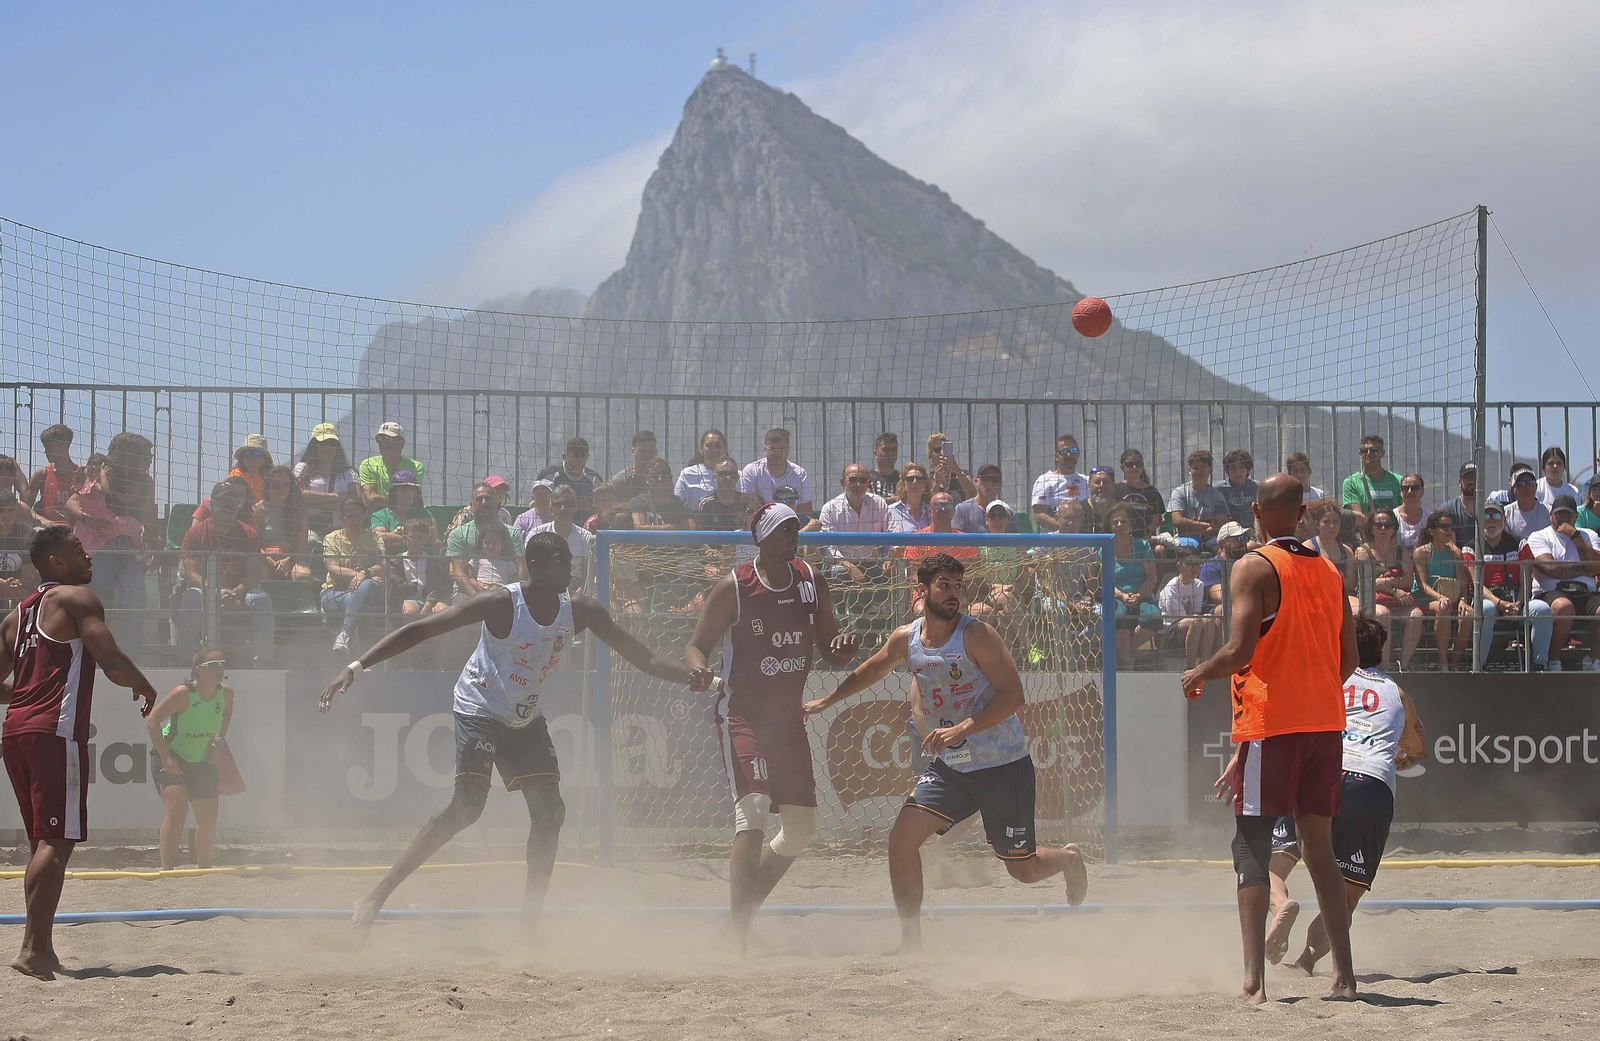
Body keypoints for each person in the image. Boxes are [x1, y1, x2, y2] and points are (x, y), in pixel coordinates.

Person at [318, 531, 713, 940]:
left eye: (570, 560)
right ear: (537, 566)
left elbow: (642, 655)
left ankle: (529, 925)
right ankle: (373, 899)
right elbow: (424, 629)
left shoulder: (582, 611)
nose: (571, 567)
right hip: (480, 708)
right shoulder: (502, 603)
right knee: (467, 808)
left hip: (524, 717)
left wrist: (690, 676)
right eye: (563, 561)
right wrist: (356, 666)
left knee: (551, 813)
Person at [801, 552, 1088, 953]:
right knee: (901, 840)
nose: (954, 593)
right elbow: (872, 669)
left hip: (1002, 766)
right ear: (923, 591)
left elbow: (1014, 695)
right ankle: (911, 943)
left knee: (1022, 870)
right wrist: (827, 701)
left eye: (958, 585)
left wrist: (962, 729)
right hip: (953, 767)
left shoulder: (978, 635)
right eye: (945, 585)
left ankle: (1069, 859)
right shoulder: (907, 638)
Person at [1181, 473, 1359, 1003]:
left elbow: (1237, 652)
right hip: (1325, 723)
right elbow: (1349, 659)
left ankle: (1255, 983)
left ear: (1257, 511)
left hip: (1273, 724)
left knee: (1251, 846)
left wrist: (1196, 674)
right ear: (1303, 513)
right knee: (1319, 849)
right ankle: (1345, 977)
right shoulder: (1329, 569)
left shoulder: (1253, 565)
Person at [683, 504, 859, 956]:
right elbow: (696, 646)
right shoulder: (734, 587)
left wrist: (842, 648)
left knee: (800, 831)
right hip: (742, 715)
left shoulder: (810, 580)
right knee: (754, 810)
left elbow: (830, 649)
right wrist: (699, 669)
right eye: (784, 531)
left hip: (788, 720)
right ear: (761, 538)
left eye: (796, 530)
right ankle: (738, 935)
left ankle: (736, 922)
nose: (793, 537)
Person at [0, 525, 159, 979]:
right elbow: (110, 660)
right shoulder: (75, 599)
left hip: (16, 732)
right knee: (55, 842)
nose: (87, 555)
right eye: (76, 549)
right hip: (55, 732)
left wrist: (28, 693)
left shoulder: (16, 616)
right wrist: (143, 684)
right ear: (55, 562)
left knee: (41, 842)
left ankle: (43, 949)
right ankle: (32, 949)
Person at [1255, 615, 1425, 972]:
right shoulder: (1398, 694)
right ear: (1380, 653)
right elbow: (1418, 750)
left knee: (1273, 864)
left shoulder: (1325, 676)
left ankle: (1281, 904)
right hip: (1371, 784)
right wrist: (1398, 761)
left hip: (1323, 771)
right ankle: (1305, 963)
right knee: (1344, 898)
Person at [146, 643, 233, 871]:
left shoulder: (226, 693)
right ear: (198, 669)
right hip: (173, 756)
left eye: (222, 665)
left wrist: (218, 742)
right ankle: (167, 871)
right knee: (177, 812)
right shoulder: (184, 693)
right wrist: (166, 756)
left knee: (207, 819)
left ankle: (205, 871)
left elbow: (225, 718)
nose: (219, 669)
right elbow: (153, 721)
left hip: (202, 758)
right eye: (213, 665)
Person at [178, 478, 275, 666]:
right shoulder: (196, 533)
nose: (228, 507)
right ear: (212, 505)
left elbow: (254, 575)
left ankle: (265, 661)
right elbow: (191, 574)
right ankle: (185, 659)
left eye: (233, 503)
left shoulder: (249, 534)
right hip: (206, 591)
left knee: (261, 598)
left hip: (239, 593)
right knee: (191, 596)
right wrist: (216, 591)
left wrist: (235, 592)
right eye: (223, 503)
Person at [80, 432, 156, 662]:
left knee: (137, 601)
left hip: (128, 551)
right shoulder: (105, 472)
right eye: (145, 456)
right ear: (130, 456)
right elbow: (80, 499)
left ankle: (130, 658)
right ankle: (95, 656)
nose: (150, 460)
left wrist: (153, 544)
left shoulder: (145, 481)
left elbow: (149, 514)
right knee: (99, 606)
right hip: (101, 548)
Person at [1474, 502, 1552, 670]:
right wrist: (1500, 604)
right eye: (1486, 516)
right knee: (1485, 609)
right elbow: (1476, 585)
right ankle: (1480, 664)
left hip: (1517, 600)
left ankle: (1540, 664)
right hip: (1488, 600)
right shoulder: (1472, 546)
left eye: (1496, 516)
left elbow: (1527, 579)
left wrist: (1518, 603)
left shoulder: (1519, 543)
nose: (1491, 521)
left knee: (1542, 609)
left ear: (1505, 519)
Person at [1526, 496, 1600, 673]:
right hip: (1552, 590)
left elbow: (1597, 565)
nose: (1563, 519)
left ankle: (1594, 659)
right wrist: (1587, 569)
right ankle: (1554, 660)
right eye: (1559, 514)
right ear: (1551, 515)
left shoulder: (1588, 535)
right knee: (1563, 607)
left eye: (1568, 515)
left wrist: (1575, 537)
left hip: (1586, 592)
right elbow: (1551, 569)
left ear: (1576, 517)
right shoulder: (1539, 536)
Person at [1407, 509, 1472, 671]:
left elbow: (1461, 582)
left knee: (1468, 615)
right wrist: (1441, 597)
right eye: (1444, 527)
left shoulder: (1456, 553)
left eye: (1450, 526)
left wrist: (1464, 600)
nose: (1449, 530)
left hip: (1451, 596)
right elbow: (1423, 586)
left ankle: (1454, 661)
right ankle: (1443, 661)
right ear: (1432, 531)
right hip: (1425, 598)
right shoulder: (1421, 553)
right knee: (1443, 608)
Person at [1354, 508, 1418, 668]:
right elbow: (1367, 583)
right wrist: (1394, 588)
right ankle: (1385, 666)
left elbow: (1408, 581)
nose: (1383, 529)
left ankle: (1403, 666)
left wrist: (1385, 582)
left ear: (1394, 528)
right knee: (1384, 614)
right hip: (1371, 600)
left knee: (1416, 616)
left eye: (1387, 525)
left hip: (1398, 601)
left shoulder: (1401, 551)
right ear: (1371, 528)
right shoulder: (1363, 551)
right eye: (1378, 525)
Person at [321, 497, 387, 653]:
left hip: (365, 590)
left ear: (365, 515)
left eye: (358, 515)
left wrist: (366, 573)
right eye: (349, 516)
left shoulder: (374, 537)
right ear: (342, 517)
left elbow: (383, 565)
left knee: (366, 588)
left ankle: (344, 634)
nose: (353, 520)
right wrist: (361, 574)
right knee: (365, 601)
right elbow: (333, 569)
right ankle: (368, 656)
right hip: (334, 593)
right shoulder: (331, 538)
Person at [812, 463, 893, 578]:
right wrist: (850, 567)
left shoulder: (878, 503)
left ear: (867, 483)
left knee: (895, 568)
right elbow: (827, 547)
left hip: (876, 563)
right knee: (839, 571)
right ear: (843, 482)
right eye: (853, 479)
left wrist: (890, 559)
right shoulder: (830, 508)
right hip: (843, 564)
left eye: (862, 480)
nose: (858, 484)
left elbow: (893, 533)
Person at [448, 482, 527, 601]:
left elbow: (520, 568)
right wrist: (478, 598)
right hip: (467, 594)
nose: (484, 502)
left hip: (505, 595)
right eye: (479, 499)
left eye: (488, 499)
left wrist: (510, 595)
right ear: (471, 505)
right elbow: (459, 573)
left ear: (497, 505)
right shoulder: (458, 534)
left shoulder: (512, 533)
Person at [1108, 502, 1160, 661]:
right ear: (1110, 526)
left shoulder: (1142, 545)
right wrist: (1122, 596)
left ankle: (1126, 655)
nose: (1119, 525)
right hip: (1116, 596)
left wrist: (1138, 596)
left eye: (1123, 521)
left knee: (1153, 616)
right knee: (1119, 615)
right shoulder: (1105, 548)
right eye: (1115, 522)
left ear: (1130, 524)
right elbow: (1105, 581)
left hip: (1142, 593)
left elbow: (1152, 577)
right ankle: (1128, 665)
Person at [65, 454, 143, 554]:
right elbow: (106, 490)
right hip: (101, 519)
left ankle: (138, 544)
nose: (108, 478)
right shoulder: (94, 486)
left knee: (86, 549)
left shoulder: (81, 486)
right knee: (131, 524)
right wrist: (103, 475)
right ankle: (140, 547)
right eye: (108, 474)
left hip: (85, 525)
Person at [294, 423, 360, 536]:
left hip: (342, 531)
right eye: (323, 443)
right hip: (310, 530)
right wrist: (335, 498)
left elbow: (356, 502)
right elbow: (298, 495)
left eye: (332, 443)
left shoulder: (349, 472)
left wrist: (315, 500)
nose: (328, 447)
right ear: (314, 445)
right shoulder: (301, 468)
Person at [529, 486, 595, 595]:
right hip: (545, 590)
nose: (563, 509)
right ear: (551, 509)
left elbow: (588, 574)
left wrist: (576, 595)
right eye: (557, 505)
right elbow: (531, 572)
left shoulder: (586, 537)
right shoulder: (537, 534)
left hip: (577, 591)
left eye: (568, 504)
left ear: (575, 507)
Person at [1160, 545, 1217, 668]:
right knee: (1196, 621)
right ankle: (1190, 666)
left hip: (1191, 626)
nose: (1195, 568)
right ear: (1179, 566)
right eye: (1190, 564)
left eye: (1197, 564)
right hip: (1171, 633)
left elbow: (1196, 612)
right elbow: (1177, 618)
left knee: (1209, 618)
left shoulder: (1198, 585)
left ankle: (1204, 665)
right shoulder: (1171, 588)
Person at [256, 464, 313, 582]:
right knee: (260, 574)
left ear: (291, 488)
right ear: (268, 486)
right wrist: (266, 559)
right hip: (263, 559)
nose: (280, 489)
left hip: (291, 559)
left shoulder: (299, 512)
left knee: (303, 575)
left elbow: (302, 548)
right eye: (275, 484)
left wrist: (288, 560)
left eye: (285, 485)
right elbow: (253, 544)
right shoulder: (258, 509)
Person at [738, 428, 813, 514]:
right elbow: (745, 507)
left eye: (781, 449)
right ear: (765, 450)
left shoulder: (800, 474)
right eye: (772, 449)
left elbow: (806, 511)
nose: (777, 453)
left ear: (788, 451)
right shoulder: (751, 471)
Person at [1167, 449, 1228, 550]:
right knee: (1189, 547)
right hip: (1186, 537)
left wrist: (1191, 529)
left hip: (1211, 537)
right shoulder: (1179, 492)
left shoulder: (1217, 495)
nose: (1199, 472)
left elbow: (1221, 524)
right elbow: (1178, 521)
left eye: (1203, 468)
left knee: (1223, 547)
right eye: (1195, 468)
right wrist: (1208, 525)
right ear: (1189, 470)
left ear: (1210, 470)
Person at [1340, 434, 1402, 527]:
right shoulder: (1351, 483)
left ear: (1382, 453)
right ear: (1360, 454)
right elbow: (1359, 517)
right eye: (1364, 450)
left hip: (1394, 534)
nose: (1368, 453)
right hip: (1369, 535)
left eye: (1374, 450)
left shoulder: (1398, 480)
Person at [358, 422, 424, 508]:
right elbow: (371, 499)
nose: (383, 444)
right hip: (377, 520)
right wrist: (401, 501)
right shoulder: (368, 465)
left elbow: (414, 500)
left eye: (388, 439)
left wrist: (383, 500)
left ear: (402, 443)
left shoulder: (416, 466)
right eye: (379, 439)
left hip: (406, 520)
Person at [395, 517, 451, 617]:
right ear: (404, 538)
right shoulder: (396, 562)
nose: (416, 541)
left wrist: (429, 603)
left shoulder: (433, 562)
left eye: (421, 537)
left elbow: (439, 586)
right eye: (412, 537)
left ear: (427, 539)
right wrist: (414, 589)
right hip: (408, 598)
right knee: (410, 612)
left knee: (444, 611)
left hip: (432, 600)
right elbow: (397, 585)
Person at [1306, 503, 1358, 607]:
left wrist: (1327, 576)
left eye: (1335, 522)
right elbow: (1309, 582)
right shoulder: (1309, 548)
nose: (1331, 526)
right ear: (1317, 525)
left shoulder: (1346, 551)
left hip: (1343, 595)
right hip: (1317, 598)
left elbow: (1351, 583)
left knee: (1358, 609)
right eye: (1326, 522)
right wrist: (1339, 577)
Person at [27, 424, 80, 526]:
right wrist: (42, 519)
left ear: (64, 446)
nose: (46, 452)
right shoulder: (42, 474)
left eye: (50, 447)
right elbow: (25, 507)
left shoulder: (82, 475)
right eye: (45, 447)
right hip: (48, 532)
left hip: (76, 533)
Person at [1030, 434, 1088, 527]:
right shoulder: (1044, 480)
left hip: (1083, 536)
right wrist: (1064, 529)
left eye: (1073, 451)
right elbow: (1039, 516)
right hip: (1054, 537)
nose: (1069, 455)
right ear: (1056, 456)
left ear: (1078, 454)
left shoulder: (1087, 481)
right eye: (1064, 452)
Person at [538, 436, 604, 516]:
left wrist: (589, 507)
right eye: (572, 466)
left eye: (581, 466)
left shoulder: (594, 479)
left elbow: (604, 509)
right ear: (564, 457)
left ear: (587, 457)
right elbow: (537, 506)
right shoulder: (549, 476)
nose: (576, 471)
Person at [370, 470, 428, 554]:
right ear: (394, 492)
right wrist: (412, 540)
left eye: (411, 490)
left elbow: (431, 536)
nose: (408, 495)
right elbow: (379, 537)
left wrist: (394, 535)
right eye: (404, 490)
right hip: (390, 563)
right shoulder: (380, 515)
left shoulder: (423, 513)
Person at [1199, 521, 1250, 617]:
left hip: (1243, 606)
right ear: (1223, 542)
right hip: (1215, 617)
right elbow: (1221, 597)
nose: (1243, 542)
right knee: (1224, 608)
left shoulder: (1247, 564)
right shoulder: (1210, 566)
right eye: (1239, 538)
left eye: (1246, 538)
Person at [1, 494, 40, 614]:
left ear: (16, 511)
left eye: (10, 510)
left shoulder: (27, 534)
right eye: (1, 510)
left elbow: (30, 576)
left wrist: (15, 587)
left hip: (18, 589)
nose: (6, 516)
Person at [1114, 449, 1164, 540]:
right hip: (1120, 538)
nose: (1134, 468)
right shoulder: (1115, 490)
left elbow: (1155, 522)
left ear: (1142, 466)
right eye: (1130, 465)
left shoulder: (1152, 492)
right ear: (1122, 468)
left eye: (1138, 464)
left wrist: (1142, 536)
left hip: (1145, 539)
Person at [630, 458, 693, 530]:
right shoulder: (638, 502)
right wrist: (668, 528)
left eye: (664, 475)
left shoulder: (681, 505)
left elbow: (691, 531)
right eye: (655, 476)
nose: (660, 479)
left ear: (670, 478)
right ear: (647, 479)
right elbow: (638, 528)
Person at [675, 428, 731, 506]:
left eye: (718, 446)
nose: (714, 450)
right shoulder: (687, 474)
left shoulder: (735, 475)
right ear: (701, 450)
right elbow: (677, 504)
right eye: (709, 446)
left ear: (724, 450)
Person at [953, 464, 1012, 533]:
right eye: (985, 478)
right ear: (976, 481)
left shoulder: (1008, 512)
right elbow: (956, 539)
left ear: (1000, 484)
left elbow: (1015, 541)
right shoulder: (962, 510)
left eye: (995, 479)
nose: (990, 483)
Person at [1501, 465, 1550, 542]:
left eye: (1530, 483)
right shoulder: (1506, 513)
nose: (1527, 487)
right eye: (1521, 484)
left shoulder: (1548, 512)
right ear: (1513, 489)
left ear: (1536, 487)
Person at [693, 459, 745, 530]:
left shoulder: (745, 502)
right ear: (715, 477)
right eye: (722, 474)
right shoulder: (706, 505)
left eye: (732, 474)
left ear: (737, 478)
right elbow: (701, 536)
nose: (728, 478)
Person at [1438, 463, 1479, 551]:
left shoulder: (1487, 509)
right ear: (1460, 482)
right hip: (1456, 561)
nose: (1472, 481)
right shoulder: (1448, 509)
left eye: (1475, 477)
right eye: (1468, 478)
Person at [924, 433, 975, 502]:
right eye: (937, 450)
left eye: (945, 449)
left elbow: (972, 494)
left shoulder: (962, 473)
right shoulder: (927, 477)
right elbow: (928, 502)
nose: (941, 453)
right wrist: (937, 483)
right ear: (930, 455)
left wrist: (956, 470)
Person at [611, 429, 660, 500]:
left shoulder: (662, 480)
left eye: (651, 450)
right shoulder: (621, 481)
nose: (647, 455)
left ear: (656, 452)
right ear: (633, 451)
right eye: (642, 451)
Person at [1218, 449, 1259, 530]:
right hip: (1229, 531)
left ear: (1248, 470)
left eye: (1241, 467)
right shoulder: (1219, 489)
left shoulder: (1256, 487)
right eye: (1233, 468)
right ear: (1227, 470)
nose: (1237, 471)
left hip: (1252, 529)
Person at [887, 463, 932, 533]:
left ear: (925, 486)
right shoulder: (891, 511)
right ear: (903, 485)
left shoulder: (932, 512)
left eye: (919, 479)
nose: (914, 482)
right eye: (910, 479)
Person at [1393, 474, 1427, 551]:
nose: (1410, 491)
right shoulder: (1392, 516)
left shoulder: (1429, 518)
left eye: (1415, 488)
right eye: (1405, 488)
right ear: (1401, 492)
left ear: (1422, 492)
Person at [1081, 467, 1118, 534]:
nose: (1101, 485)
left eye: (1106, 482)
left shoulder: (1121, 510)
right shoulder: (1079, 510)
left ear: (1114, 485)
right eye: (1097, 482)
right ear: (1088, 486)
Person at [867, 432, 901, 501]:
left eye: (893, 450)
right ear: (875, 454)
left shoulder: (902, 479)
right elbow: (868, 503)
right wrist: (895, 499)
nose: (890, 453)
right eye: (885, 449)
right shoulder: (867, 478)